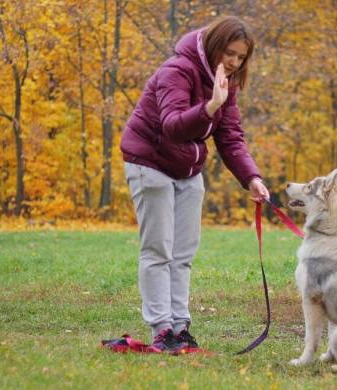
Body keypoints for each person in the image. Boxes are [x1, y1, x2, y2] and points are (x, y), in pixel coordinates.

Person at [119, 16, 269, 353]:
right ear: (214, 45)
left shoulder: (225, 82)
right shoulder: (177, 70)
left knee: (183, 252)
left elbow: (230, 137)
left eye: (241, 57)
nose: (233, 62)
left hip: (187, 168)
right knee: (159, 249)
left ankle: (180, 328)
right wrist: (211, 105)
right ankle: (162, 331)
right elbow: (173, 126)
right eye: (229, 53)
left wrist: (252, 178)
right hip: (150, 162)